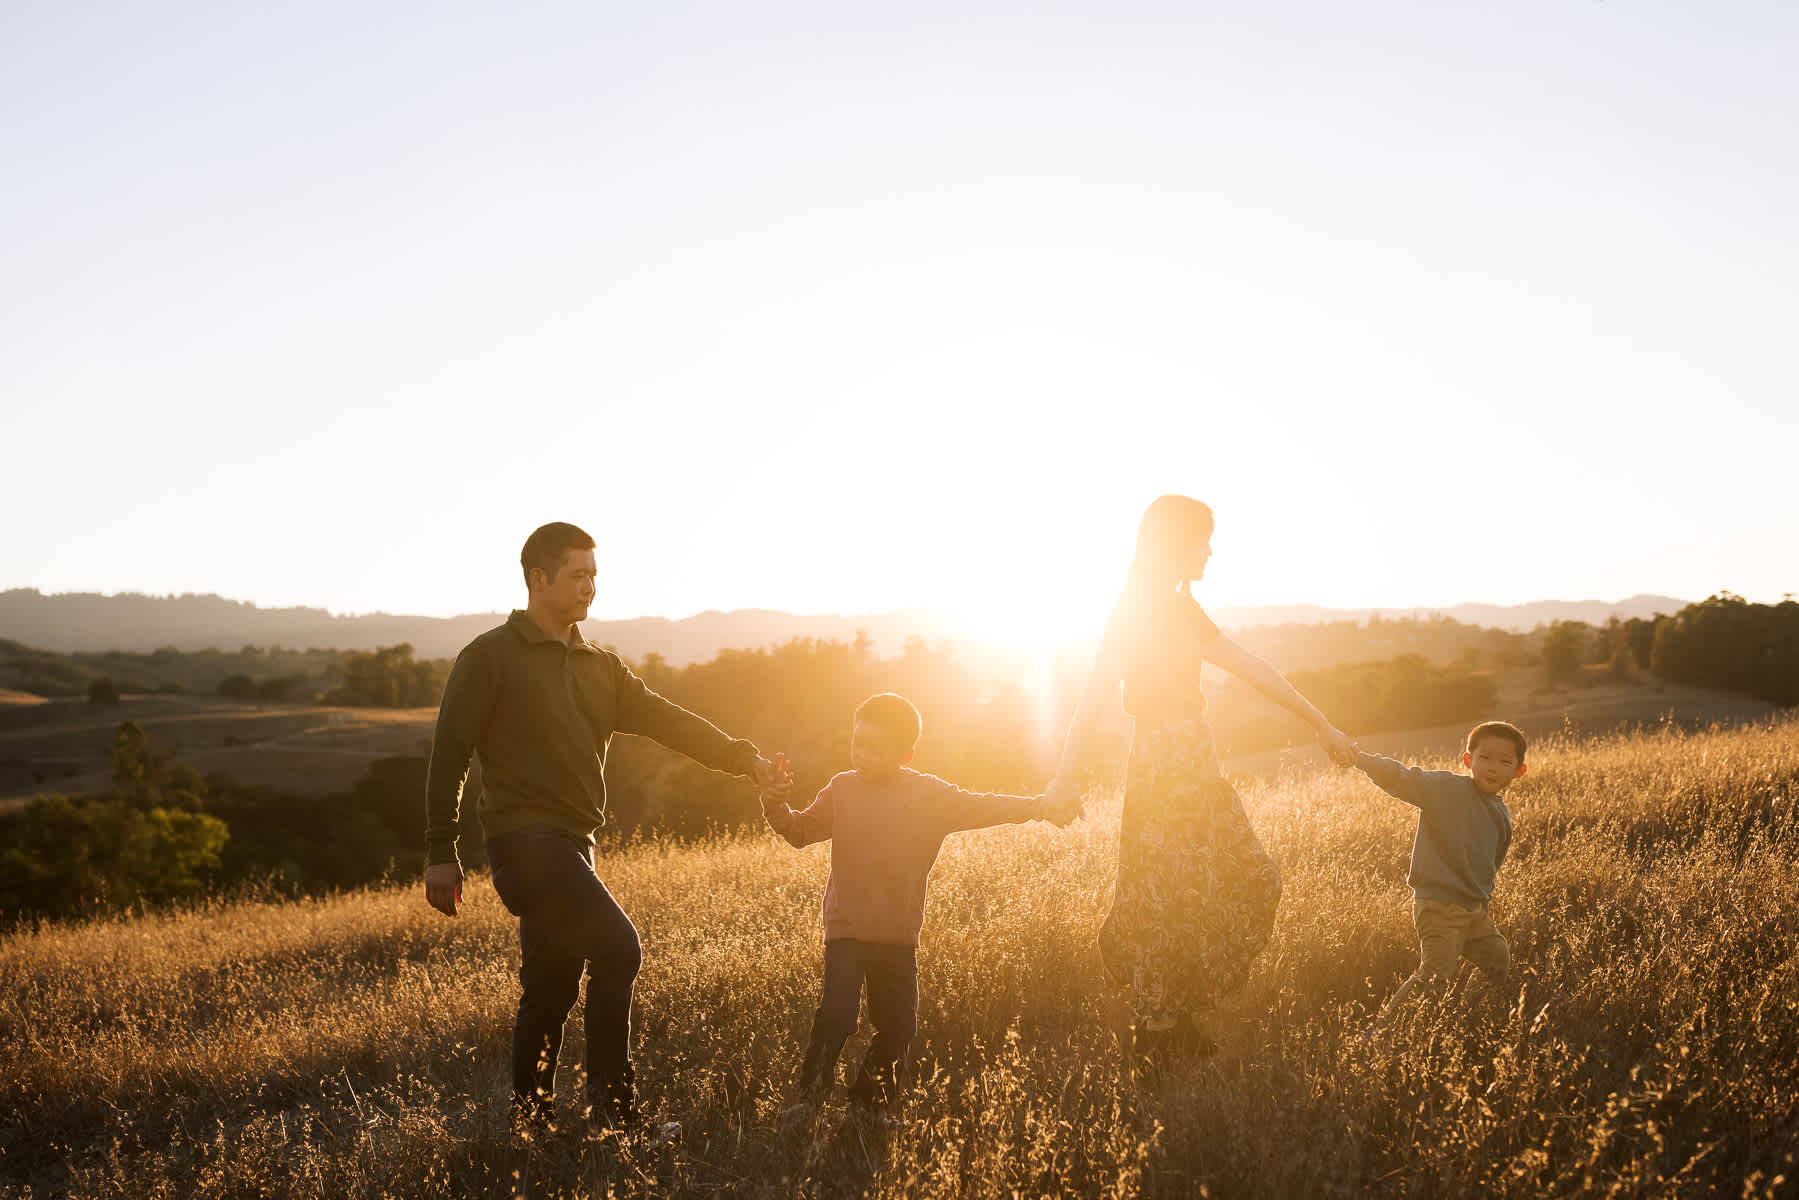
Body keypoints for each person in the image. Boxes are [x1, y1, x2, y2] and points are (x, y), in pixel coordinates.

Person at [422, 521, 790, 1134]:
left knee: (550, 985)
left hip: (574, 847)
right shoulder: (488, 657)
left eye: (595, 574)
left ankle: (531, 1125)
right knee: (620, 948)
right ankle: (615, 1114)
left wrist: (744, 759)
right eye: (577, 574)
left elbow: (668, 720)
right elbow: (449, 755)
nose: (590, 586)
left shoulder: (600, 665)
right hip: (525, 843)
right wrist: (440, 849)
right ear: (538, 579)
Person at [1047, 494, 1357, 1071]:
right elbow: (1092, 699)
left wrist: (1323, 725)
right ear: (1173, 542)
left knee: (1238, 879)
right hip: (1164, 764)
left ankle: (1179, 1016)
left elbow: (1253, 669)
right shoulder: (1135, 608)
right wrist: (1063, 780)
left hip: (1194, 760)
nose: (1210, 550)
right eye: (1201, 539)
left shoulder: (1180, 609)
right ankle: (1160, 1035)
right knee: (1164, 897)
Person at [760, 691, 1068, 1131]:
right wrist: (774, 801)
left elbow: (986, 805)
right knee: (837, 1017)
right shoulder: (842, 789)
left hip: (897, 937)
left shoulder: (929, 795)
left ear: (906, 753)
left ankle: (868, 1108)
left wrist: (1039, 807)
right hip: (846, 930)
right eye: (858, 743)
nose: (862, 755)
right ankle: (807, 1103)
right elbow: (798, 830)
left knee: (899, 1026)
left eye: (876, 748)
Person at [1353, 721, 1525, 1022]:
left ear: (1518, 771)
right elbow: (1402, 778)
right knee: (1434, 975)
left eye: (1504, 761)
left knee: (1498, 956)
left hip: (1474, 911)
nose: (1493, 767)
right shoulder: (1446, 789)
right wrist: (1359, 758)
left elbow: (1491, 865)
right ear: (1468, 760)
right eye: (1484, 758)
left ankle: (1468, 1014)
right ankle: (1382, 1032)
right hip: (1438, 906)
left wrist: (1482, 902)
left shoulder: (1501, 814)